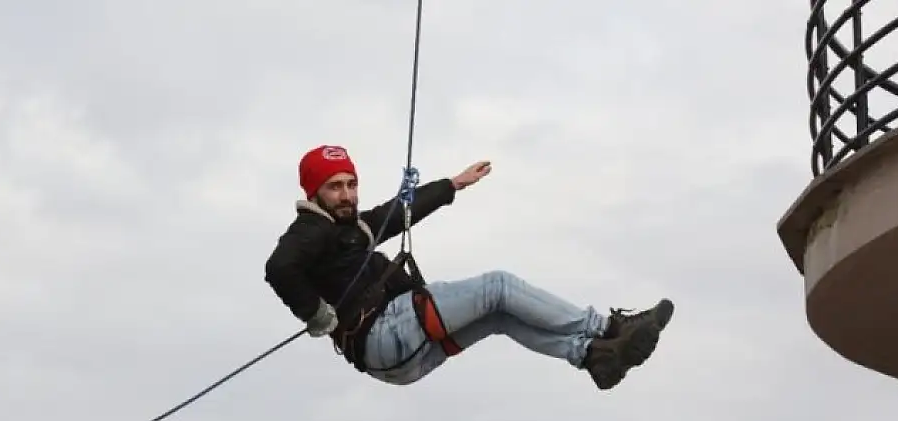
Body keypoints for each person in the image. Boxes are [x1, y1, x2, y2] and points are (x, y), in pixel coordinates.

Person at [264, 144, 674, 390]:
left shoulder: (353, 228)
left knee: (499, 317)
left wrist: (451, 185)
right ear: (314, 193)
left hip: (400, 364)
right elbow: (279, 268)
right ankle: (607, 328)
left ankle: (592, 356)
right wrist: (317, 315)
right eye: (335, 187)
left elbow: (395, 212)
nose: (346, 195)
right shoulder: (311, 230)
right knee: (498, 286)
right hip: (385, 334)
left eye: (351, 184)